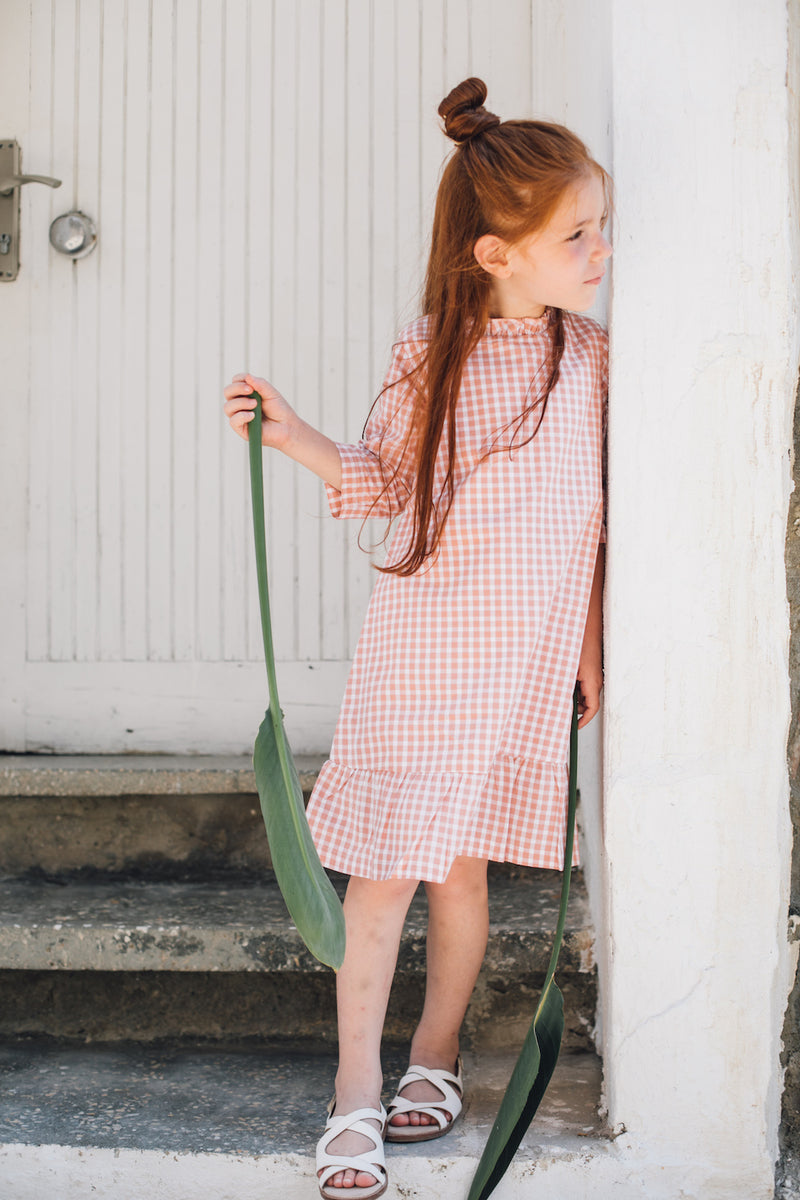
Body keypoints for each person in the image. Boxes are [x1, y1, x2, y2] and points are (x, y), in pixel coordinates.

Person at [224, 76, 610, 1200]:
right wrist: (295, 435)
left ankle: (432, 1057)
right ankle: (353, 1085)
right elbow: (384, 480)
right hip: (425, 649)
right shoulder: (425, 354)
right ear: (497, 254)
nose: (596, 249)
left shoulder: (587, 361)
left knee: (460, 869)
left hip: (519, 664)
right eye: (574, 233)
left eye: (599, 227)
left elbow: (593, 521)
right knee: (386, 873)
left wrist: (587, 646)